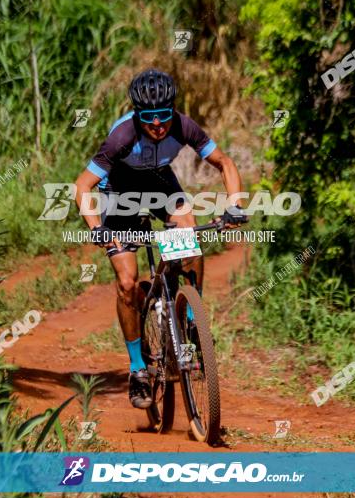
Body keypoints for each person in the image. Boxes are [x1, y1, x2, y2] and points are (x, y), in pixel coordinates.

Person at [73, 68, 247, 409]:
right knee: (126, 283)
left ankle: (193, 319)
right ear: (138, 116)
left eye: (163, 117)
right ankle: (138, 368)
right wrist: (98, 229)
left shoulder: (184, 126)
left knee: (189, 235)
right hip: (120, 192)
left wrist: (235, 206)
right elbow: (82, 186)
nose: (157, 126)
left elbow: (224, 162)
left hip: (160, 184)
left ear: (173, 110)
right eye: (149, 119)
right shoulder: (121, 137)